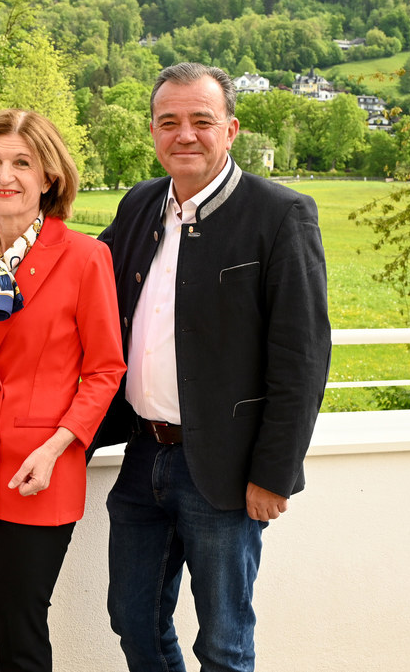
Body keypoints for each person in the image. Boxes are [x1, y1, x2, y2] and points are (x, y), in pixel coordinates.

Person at [93, 62, 331, 671]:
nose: (185, 135)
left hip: (226, 471)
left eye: (202, 121)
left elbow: (302, 359)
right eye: (169, 122)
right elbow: (84, 276)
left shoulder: (280, 215)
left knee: (223, 643)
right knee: (133, 620)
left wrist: (274, 473)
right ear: (153, 131)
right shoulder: (141, 203)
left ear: (231, 129)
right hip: (144, 453)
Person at [0, 109, 126, 672]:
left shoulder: (86, 257)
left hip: (38, 470)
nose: (5, 175)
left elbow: (105, 370)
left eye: (23, 162)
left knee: (20, 624)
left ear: (49, 178)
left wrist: (56, 448)